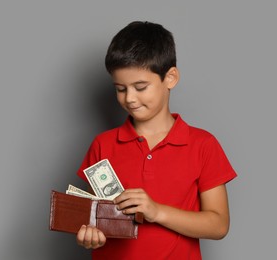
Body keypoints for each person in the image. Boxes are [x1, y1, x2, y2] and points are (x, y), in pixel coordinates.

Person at [75, 21, 237, 259]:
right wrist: (89, 236)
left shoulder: (203, 145)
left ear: (170, 78)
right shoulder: (102, 145)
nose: (129, 98)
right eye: (120, 89)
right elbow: (92, 219)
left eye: (140, 87)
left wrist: (156, 211)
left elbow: (218, 225)